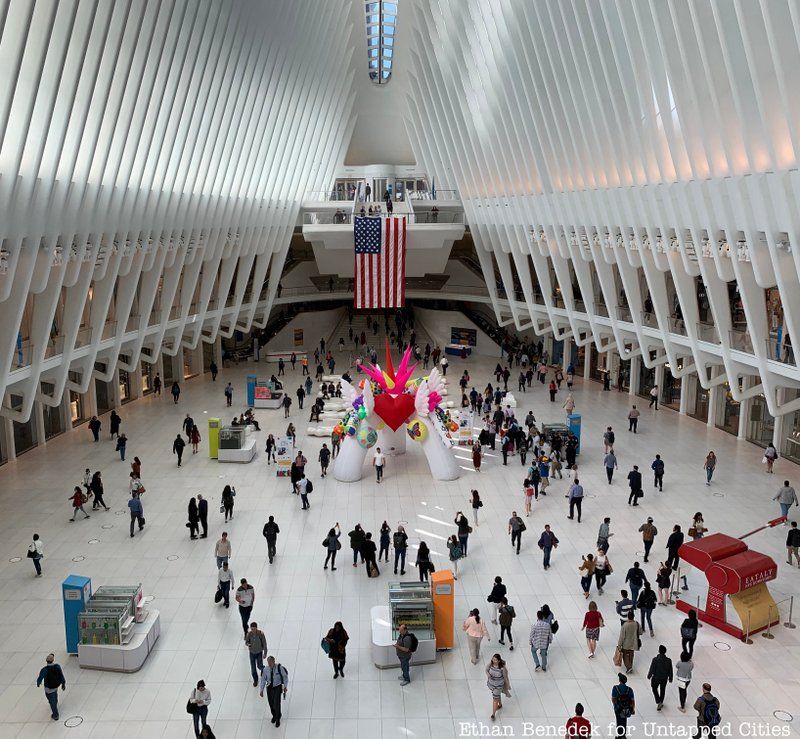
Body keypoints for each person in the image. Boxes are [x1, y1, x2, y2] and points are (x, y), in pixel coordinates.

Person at [259, 656, 289, 726]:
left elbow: (285, 677)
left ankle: (278, 717)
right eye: (268, 662)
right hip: (269, 687)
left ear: (274, 661)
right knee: (271, 703)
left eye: (271, 662)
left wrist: (285, 686)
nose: (269, 664)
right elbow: (263, 680)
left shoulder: (279, 668)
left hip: (277, 687)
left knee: (277, 703)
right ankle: (274, 715)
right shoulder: (265, 669)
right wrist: (261, 690)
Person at [36, 653, 66, 721]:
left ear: (46, 661)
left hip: (48, 688)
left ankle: (55, 715)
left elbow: (40, 678)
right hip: (56, 686)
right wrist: (63, 684)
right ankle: (55, 702)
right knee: (55, 695)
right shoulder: (57, 666)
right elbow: (61, 675)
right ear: (53, 660)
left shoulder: (44, 670)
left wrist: (38, 683)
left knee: (51, 700)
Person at [486, 653, 511, 721]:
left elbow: (505, 677)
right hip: (491, 684)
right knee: (497, 695)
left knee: (495, 699)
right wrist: (488, 674)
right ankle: (500, 704)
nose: (493, 661)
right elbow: (486, 669)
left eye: (495, 660)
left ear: (499, 661)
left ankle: (493, 714)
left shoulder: (502, 668)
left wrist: (508, 685)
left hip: (498, 686)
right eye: (493, 659)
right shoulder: (490, 664)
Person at [611, 673, 636, 737]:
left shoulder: (615, 688)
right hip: (626, 708)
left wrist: (616, 706)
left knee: (619, 721)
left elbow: (613, 699)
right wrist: (632, 709)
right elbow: (632, 700)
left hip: (618, 708)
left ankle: (619, 735)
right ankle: (623, 735)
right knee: (624, 721)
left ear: (619, 680)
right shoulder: (629, 689)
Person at [244, 622, 267, 686]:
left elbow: (264, 644)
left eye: (254, 629)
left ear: (256, 628)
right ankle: (255, 680)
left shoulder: (261, 634)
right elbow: (246, 642)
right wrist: (248, 644)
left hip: (259, 652)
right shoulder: (249, 634)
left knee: (259, 666)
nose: (253, 630)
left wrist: (265, 653)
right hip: (252, 653)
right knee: (253, 668)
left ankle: (263, 669)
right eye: (252, 629)